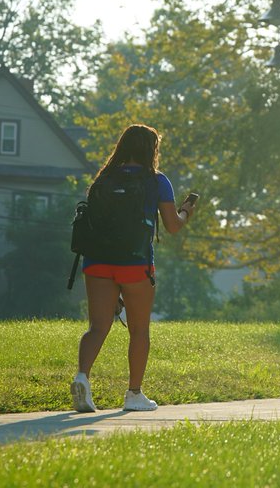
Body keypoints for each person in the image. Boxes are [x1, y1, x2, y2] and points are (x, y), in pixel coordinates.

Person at [71, 124, 195, 413]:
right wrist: (187, 210)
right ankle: (134, 394)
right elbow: (173, 226)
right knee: (139, 330)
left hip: (97, 262)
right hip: (134, 264)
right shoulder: (157, 181)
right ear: (150, 150)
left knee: (97, 327)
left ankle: (82, 377)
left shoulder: (103, 179)